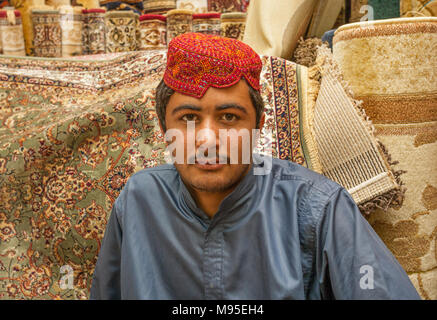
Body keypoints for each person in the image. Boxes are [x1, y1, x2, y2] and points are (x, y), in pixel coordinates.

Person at [90, 33, 420, 300]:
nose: (207, 140)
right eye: (189, 118)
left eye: (229, 118)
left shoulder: (317, 206)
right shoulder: (138, 201)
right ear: (164, 129)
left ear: (258, 127)